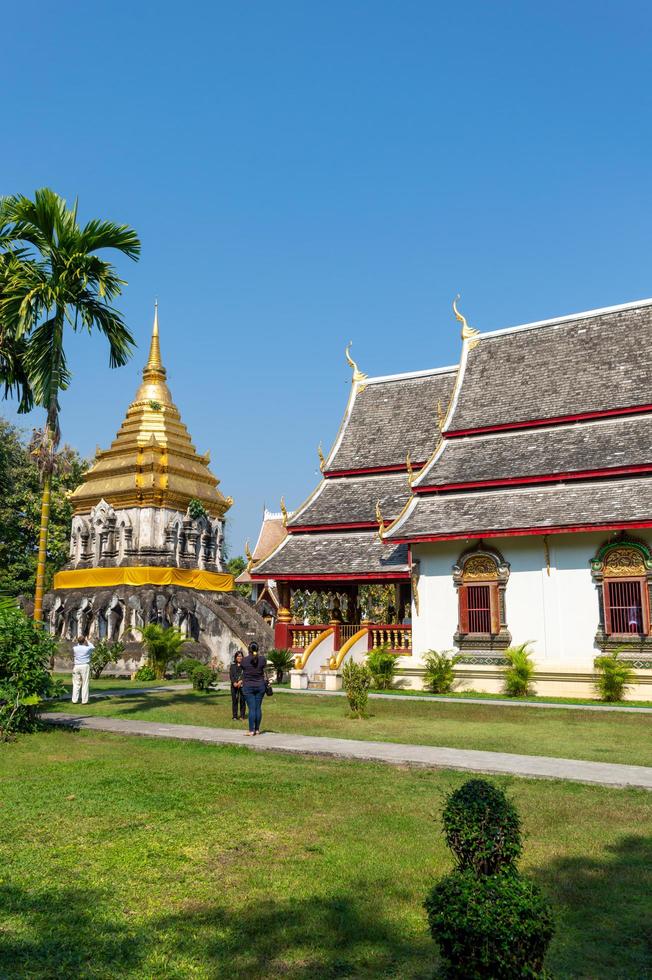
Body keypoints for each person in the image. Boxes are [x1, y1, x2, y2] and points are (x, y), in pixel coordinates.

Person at [240, 641, 267, 736]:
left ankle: (251, 730)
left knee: (252, 709)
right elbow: (263, 666)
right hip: (260, 686)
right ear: (258, 649)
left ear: (249, 649)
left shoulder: (244, 660)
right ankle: (257, 730)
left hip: (248, 686)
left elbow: (243, 668)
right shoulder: (263, 659)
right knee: (258, 708)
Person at [71, 634, 94, 705]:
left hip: (76, 666)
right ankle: (84, 701)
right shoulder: (87, 648)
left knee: (76, 683)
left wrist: (82, 641)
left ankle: (74, 700)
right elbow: (93, 647)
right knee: (85, 683)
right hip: (85, 666)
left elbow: (79, 644)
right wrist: (87, 641)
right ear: (84, 641)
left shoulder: (75, 648)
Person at [230, 651, 246, 721]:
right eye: (238, 656)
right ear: (236, 657)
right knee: (234, 701)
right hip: (234, 686)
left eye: (240, 656)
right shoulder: (232, 666)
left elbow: (246, 675)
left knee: (242, 701)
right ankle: (235, 716)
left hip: (242, 685)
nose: (239, 657)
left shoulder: (245, 666)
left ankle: (242, 716)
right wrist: (234, 682)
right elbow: (231, 675)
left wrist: (241, 681)